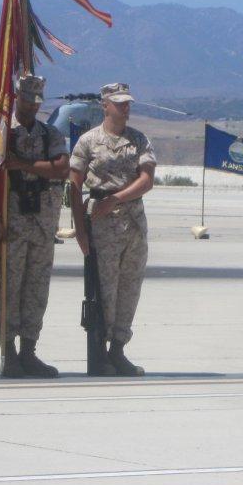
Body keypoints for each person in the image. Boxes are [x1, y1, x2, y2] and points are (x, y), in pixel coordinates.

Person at [68, 82, 156, 376]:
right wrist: (80, 230)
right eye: (119, 103)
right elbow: (74, 185)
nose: (125, 108)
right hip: (101, 226)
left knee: (129, 289)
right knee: (103, 291)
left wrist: (117, 198)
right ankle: (99, 351)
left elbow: (147, 179)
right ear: (105, 105)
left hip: (132, 224)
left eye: (128, 103)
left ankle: (118, 350)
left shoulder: (139, 140)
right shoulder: (88, 142)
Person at [0, 74, 68, 378]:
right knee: (9, 287)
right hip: (13, 221)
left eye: (37, 102)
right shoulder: (1, 133)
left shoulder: (50, 134)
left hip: (42, 224)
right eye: (27, 100)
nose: (33, 107)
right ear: (16, 98)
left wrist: (21, 165)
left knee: (37, 289)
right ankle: (8, 352)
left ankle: (29, 351)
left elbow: (61, 167)